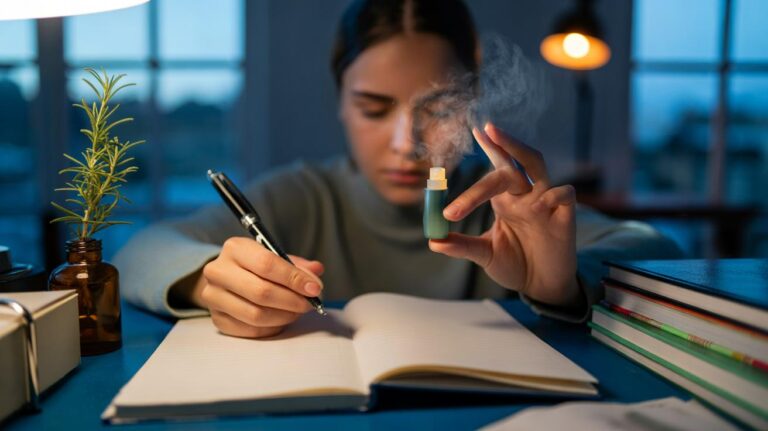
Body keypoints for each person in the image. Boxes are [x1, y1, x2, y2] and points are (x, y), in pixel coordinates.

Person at [114, 0, 681, 338]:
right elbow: (140, 250)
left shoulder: (507, 208)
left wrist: (559, 281)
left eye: (437, 108)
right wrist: (207, 279)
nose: (407, 143)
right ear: (340, 101)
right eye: (373, 108)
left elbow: (658, 249)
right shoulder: (301, 196)